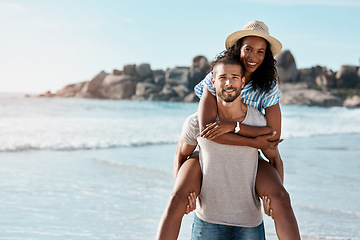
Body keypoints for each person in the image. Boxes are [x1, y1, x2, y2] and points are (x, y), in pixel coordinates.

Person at [156, 20, 300, 240]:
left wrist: (236, 126)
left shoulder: (268, 86)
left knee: (281, 197)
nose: (253, 56)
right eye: (248, 49)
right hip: (216, 145)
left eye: (260, 51)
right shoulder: (216, 77)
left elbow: (272, 137)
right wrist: (254, 142)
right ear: (238, 49)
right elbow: (207, 131)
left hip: (248, 140)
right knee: (176, 197)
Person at [160, 53, 272, 239]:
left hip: (249, 223)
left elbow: (275, 159)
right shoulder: (196, 123)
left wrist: (272, 202)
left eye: (234, 78)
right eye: (223, 78)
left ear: (243, 83)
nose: (229, 83)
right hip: (207, 221)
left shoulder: (258, 122)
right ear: (212, 82)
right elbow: (180, 156)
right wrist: (183, 194)